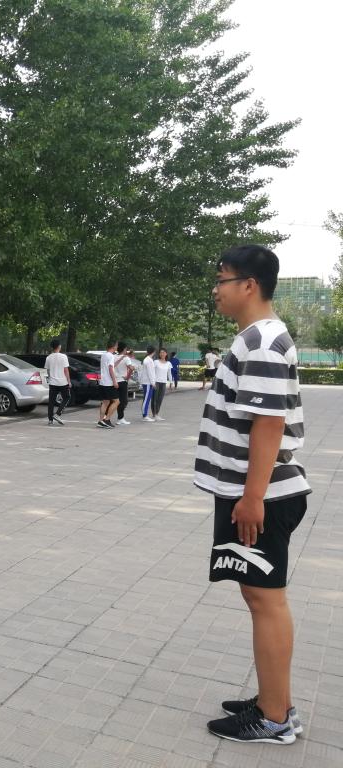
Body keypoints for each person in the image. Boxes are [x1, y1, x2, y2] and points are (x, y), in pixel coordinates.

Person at [196, 245, 310, 745]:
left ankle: (275, 717)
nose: (216, 290)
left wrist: (252, 498)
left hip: (262, 495)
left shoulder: (261, 341)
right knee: (258, 595)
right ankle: (274, 700)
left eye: (222, 279)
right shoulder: (256, 338)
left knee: (265, 600)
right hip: (256, 491)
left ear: (248, 285)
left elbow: (268, 424)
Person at [44, 338, 71, 426]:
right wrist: (69, 381)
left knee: (51, 401)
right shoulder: (63, 357)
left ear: (52, 347)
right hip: (63, 382)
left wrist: (50, 378)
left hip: (52, 382)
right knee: (67, 397)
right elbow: (66, 370)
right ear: (59, 346)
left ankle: (50, 420)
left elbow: (48, 371)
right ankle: (58, 414)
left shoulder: (48, 358)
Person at [97, 339, 118, 429]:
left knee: (105, 402)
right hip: (108, 383)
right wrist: (114, 381)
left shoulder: (104, 355)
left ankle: (100, 421)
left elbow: (109, 367)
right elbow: (110, 369)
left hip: (102, 382)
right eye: (116, 345)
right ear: (113, 346)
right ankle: (107, 419)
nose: (117, 347)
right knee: (117, 401)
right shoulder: (111, 356)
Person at [114, 342, 136, 425]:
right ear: (124, 349)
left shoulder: (113, 357)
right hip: (122, 381)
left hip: (114, 381)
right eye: (126, 349)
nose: (126, 350)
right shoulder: (126, 358)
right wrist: (128, 376)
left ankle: (106, 417)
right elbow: (131, 368)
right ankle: (120, 418)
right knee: (123, 401)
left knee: (114, 400)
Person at [152, 348, 173, 420]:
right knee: (154, 399)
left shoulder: (168, 363)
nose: (162, 354)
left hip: (163, 383)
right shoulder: (155, 362)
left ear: (166, 354)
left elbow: (169, 374)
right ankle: (154, 414)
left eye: (163, 352)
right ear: (159, 354)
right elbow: (152, 372)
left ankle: (157, 414)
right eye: (161, 352)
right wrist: (153, 382)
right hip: (156, 382)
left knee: (160, 399)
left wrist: (171, 382)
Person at [139, 345, 157, 422]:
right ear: (154, 351)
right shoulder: (149, 360)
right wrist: (153, 383)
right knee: (146, 399)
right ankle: (145, 415)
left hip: (147, 382)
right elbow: (150, 373)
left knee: (146, 399)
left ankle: (145, 414)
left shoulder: (147, 359)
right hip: (148, 383)